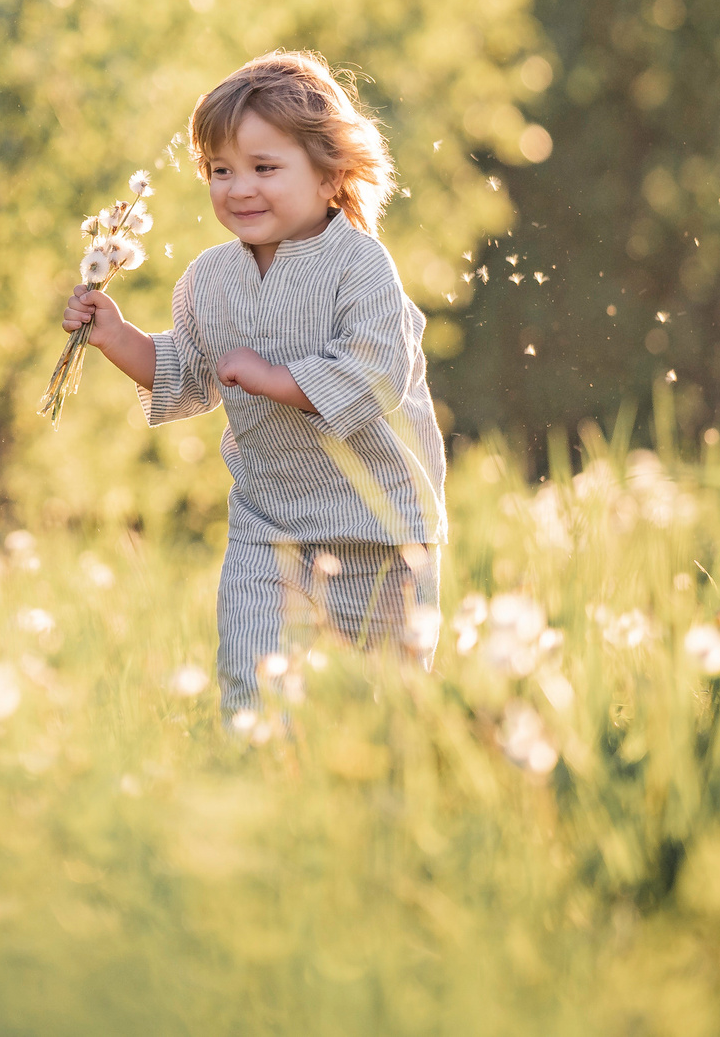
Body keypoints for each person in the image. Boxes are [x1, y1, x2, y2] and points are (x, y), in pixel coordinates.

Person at [61, 52, 445, 718]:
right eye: (220, 170)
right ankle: (259, 770)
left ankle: (381, 799)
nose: (239, 188)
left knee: (387, 700)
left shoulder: (360, 265)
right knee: (252, 679)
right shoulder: (210, 279)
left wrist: (276, 379)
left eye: (265, 168)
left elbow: (376, 372)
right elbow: (189, 372)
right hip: (269, 529)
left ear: (331, 176)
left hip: (380, 526)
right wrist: (118, 337)